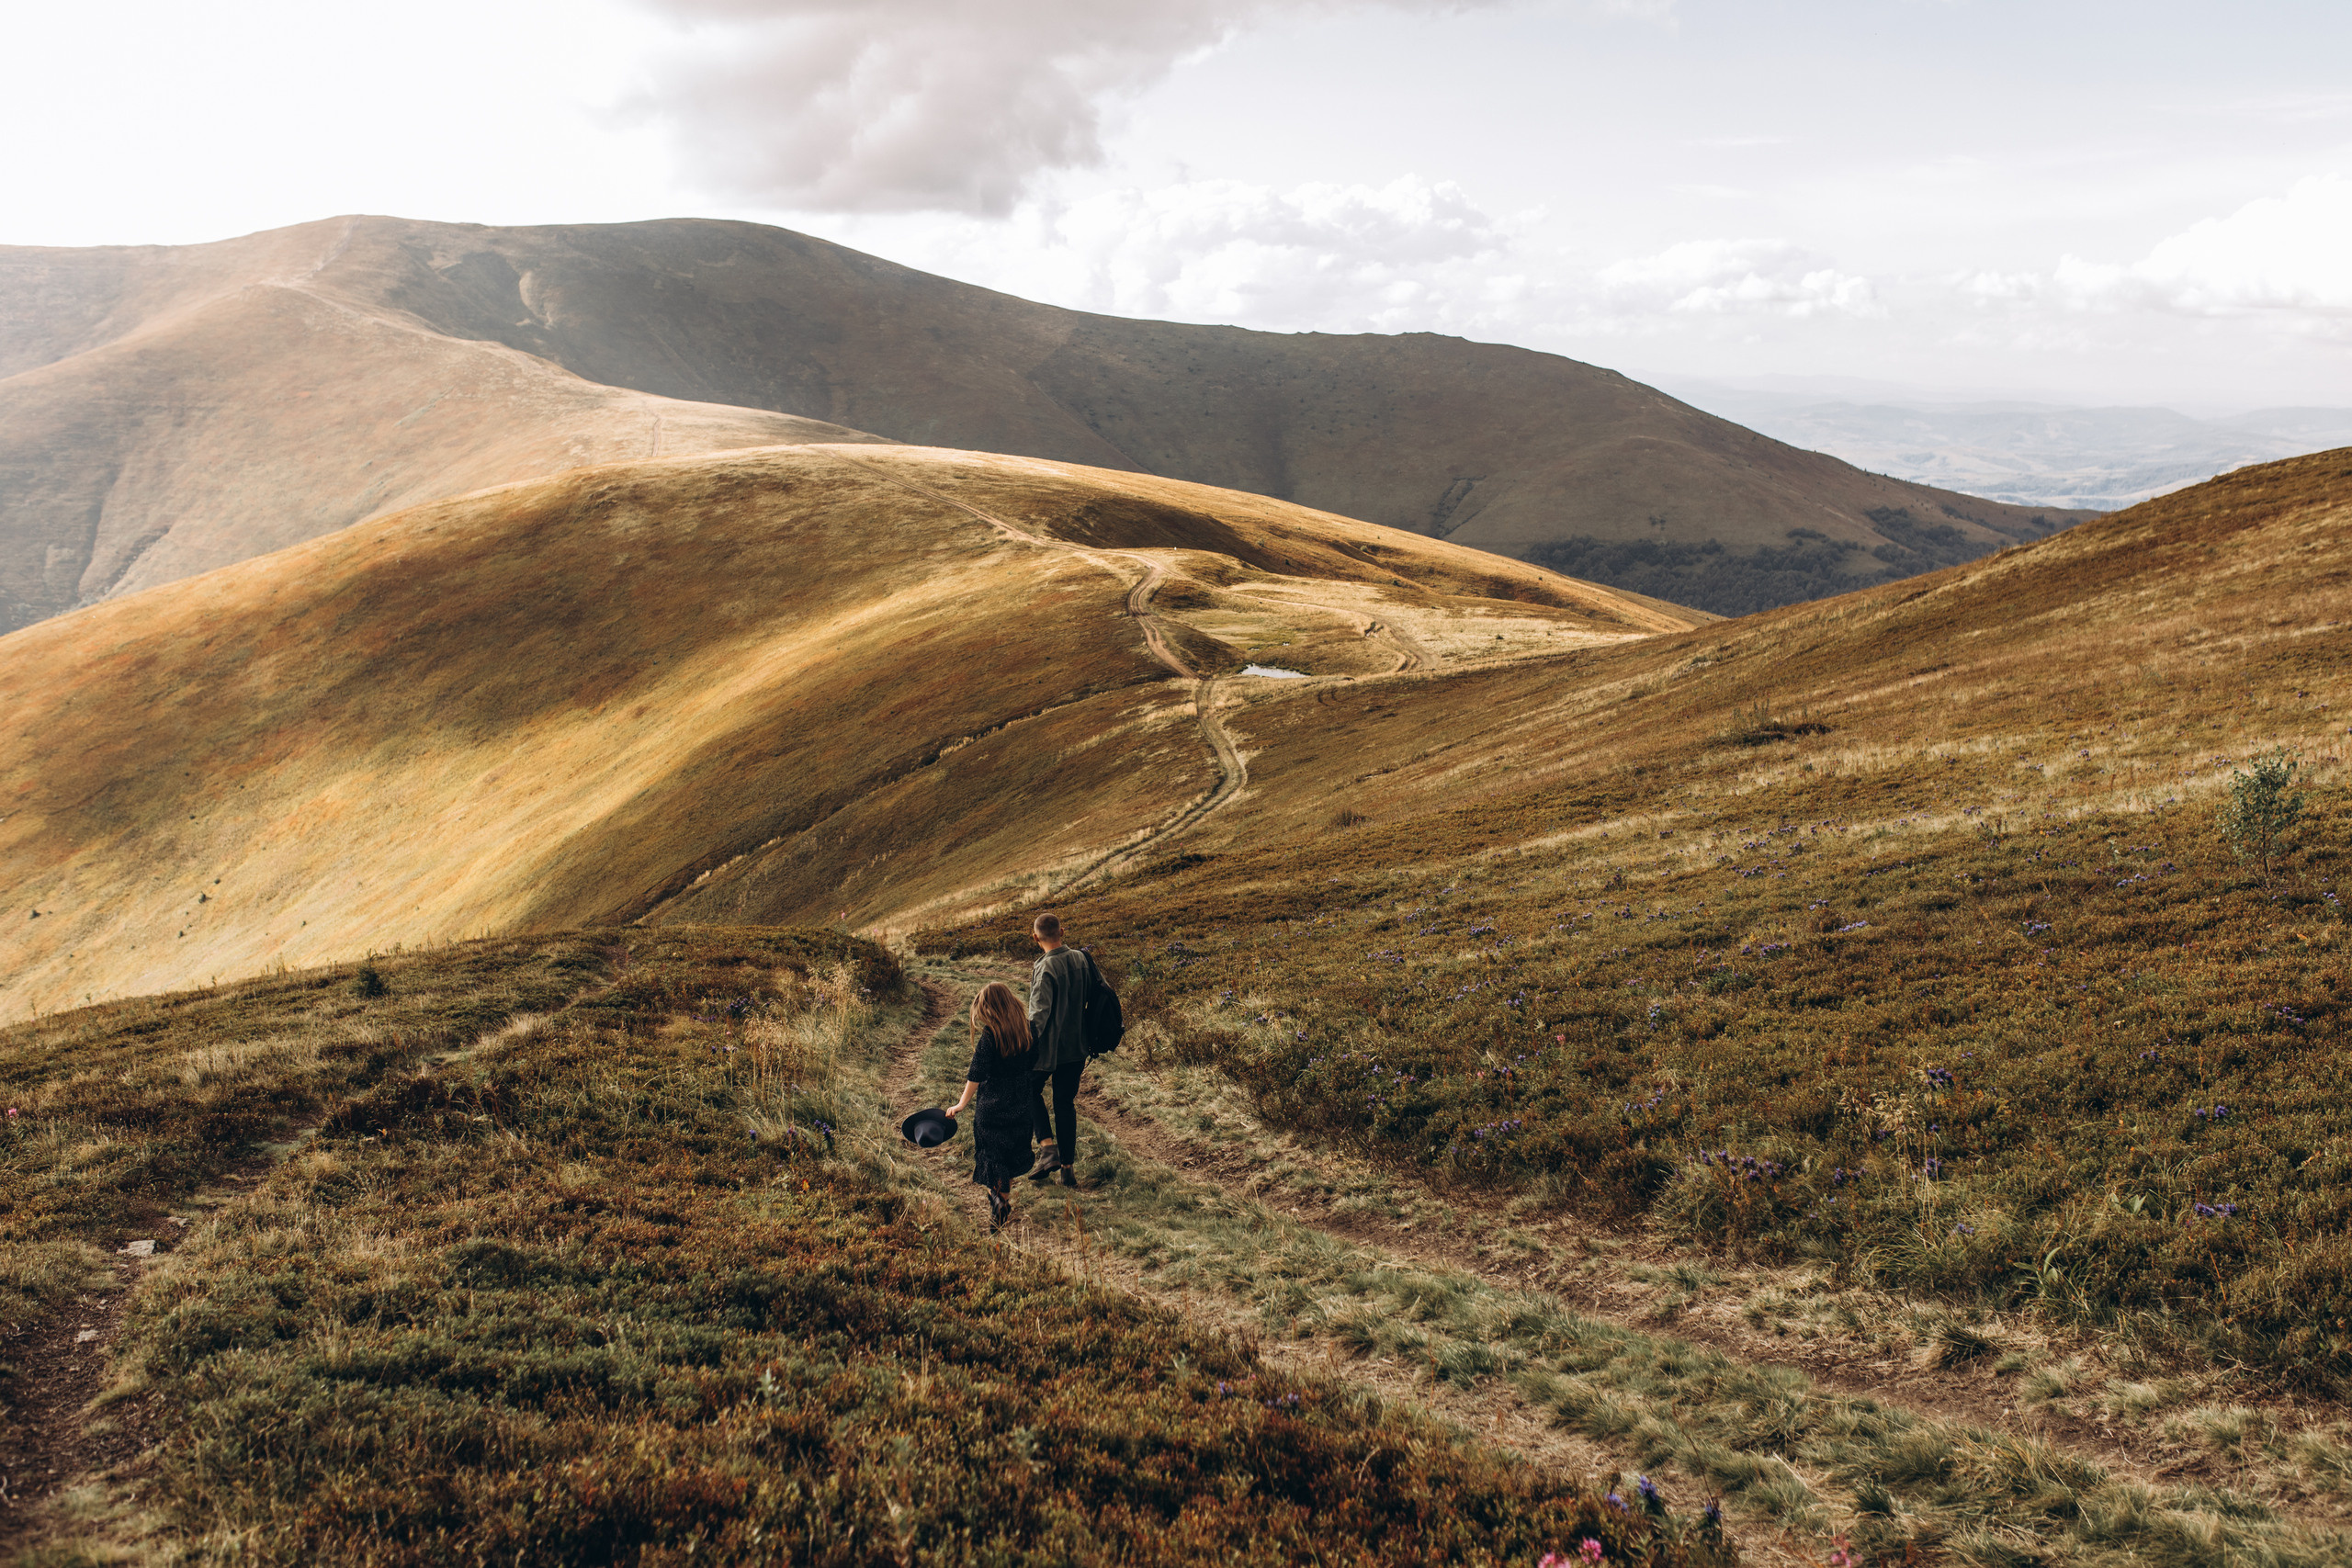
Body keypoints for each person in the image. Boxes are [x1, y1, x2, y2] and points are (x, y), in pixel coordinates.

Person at [943, 982, 1036, 1231]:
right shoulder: (1029, 1030)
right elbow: (1035, 1063)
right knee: (1011, 1154)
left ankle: (998, 1201)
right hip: (1022, 1105)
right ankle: (1002, 1201)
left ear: (990, 1008)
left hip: (992, 1106)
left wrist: (961, 1104)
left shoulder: (990, 1035)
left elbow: (976, 1072)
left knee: (993, 1156)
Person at [1025, 911, 1091, 1186]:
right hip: (1077, 1046)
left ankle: (1047, 1148)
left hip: (1048, 1050)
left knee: (1026, 1089)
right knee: (1064, 1103)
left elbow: (1038, 1016)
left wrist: (1024, 1045)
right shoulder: (1082, 958)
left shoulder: (1045, 968)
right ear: (1062, 932)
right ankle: (1067, 1170)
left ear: (1035, 938)